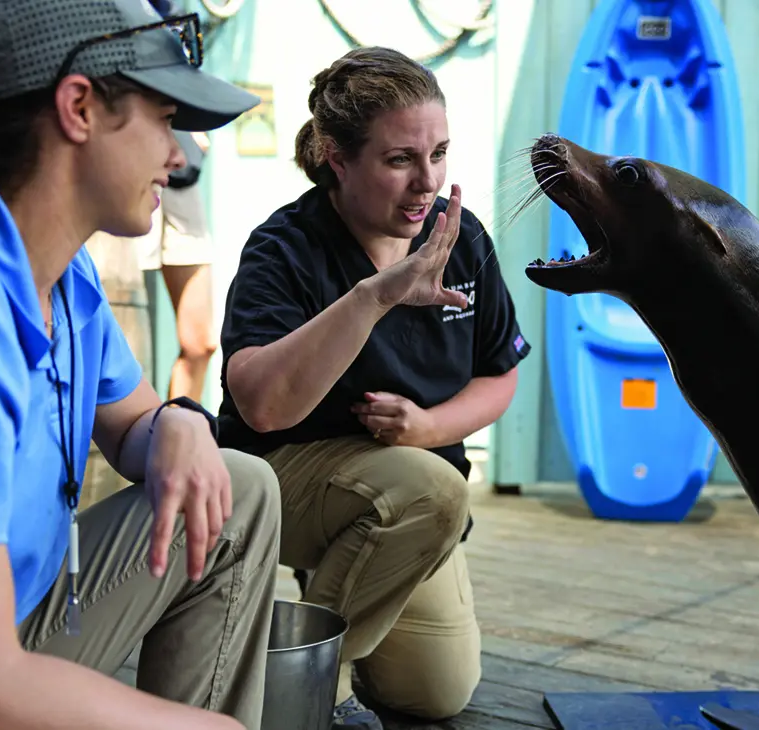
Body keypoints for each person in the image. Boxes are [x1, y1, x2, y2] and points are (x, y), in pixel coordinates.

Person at [217, 46, 531, 730]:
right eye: (399, 160)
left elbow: (499, 374)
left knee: (436, 693)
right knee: (430, 488)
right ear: (336, 157)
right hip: (283, 483)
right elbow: (261, 407)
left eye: (439, 154)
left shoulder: (459, 239)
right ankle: (299, 688)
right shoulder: (284, 248)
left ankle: (319, 609)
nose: (426, 182)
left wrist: (426, 427)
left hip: (405, 489)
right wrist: (374, 296)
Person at [0, 2, 282, 730]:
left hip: (26, 623)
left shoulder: (68, 276)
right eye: (161, 116)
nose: (178, 155)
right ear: (79, 107)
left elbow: (132, 422)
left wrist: (177, 420)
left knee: (236, 489)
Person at [132, 126, 219, 403]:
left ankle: (177, 433)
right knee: (124, 337)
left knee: (201, 343)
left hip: (180, 173)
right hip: (133, 159)